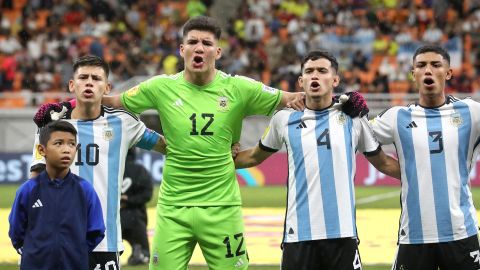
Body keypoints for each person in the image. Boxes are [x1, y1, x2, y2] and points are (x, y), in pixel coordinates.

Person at [233, 51, 401, 270]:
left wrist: (421, 175)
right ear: (301, 81)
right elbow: (255, 155)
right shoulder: (284, 119)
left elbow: (384, 163)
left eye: (322, 71)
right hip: (298, 236)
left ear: (335, 80)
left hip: (343, 235)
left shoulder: (353, 117)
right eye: (309, 72)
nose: (315, 76)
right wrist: (221, 157)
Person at [29, 55, 167, 270]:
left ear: (107, 87)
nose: (89, 82)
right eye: (83, 77)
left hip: (104, 241)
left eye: (96, 78)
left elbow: (166, 146)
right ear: (72, 85)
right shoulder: (51, 125)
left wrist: (219, 147)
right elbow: (36, 178)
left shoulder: (124, 122)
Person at [370, 44, 480, 269]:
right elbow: (359, 137)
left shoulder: (471, 112)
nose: (428, 70)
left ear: (448, 73)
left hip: (461, 233)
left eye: (435, 65)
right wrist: (350, 110)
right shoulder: (396, 117)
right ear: (413, 74)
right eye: (421, 65)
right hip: (414, 236)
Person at [9, 120, 105, 270]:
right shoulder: (28, 190)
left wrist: (76, 252)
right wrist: (33, 254)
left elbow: (96, 231)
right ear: (42, 150)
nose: (66, 149)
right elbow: (16, 232)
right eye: (59, 143)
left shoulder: (85, 189)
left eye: (71, 144)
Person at [120, 148, 153, 265]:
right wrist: (130, 200)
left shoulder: (111, 170)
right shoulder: (140, 171)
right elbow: (147, 194)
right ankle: (141, 253)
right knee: (145, 252)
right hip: (136, 217)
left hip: (115, 217)